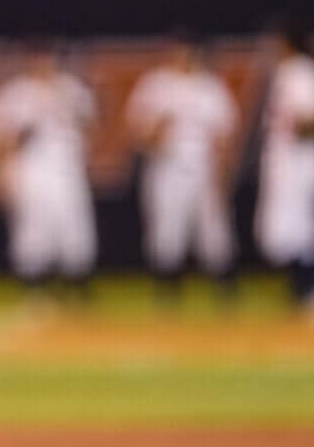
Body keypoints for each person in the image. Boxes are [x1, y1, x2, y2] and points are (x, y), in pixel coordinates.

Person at [125, 34, 240, 297]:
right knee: (166, 228)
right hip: (167, 165)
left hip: (204, 166)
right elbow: (137, 132)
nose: (183, 57)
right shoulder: (156, 85)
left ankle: (224, 289)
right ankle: (167, 289)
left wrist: (223, 173)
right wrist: (157, 130)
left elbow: (224, 136)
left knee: (213, 229)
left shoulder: (209, 86)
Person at [0, 39, 98, 297]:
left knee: (75, 231)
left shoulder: (72, 90)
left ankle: (77, 291)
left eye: (48, 56)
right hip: (32, 171)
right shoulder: (16, 94)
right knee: (33, 232)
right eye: (38, 57)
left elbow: (91, 130)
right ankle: (36, 292)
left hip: (68, 170)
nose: (44, 62)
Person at [254, 23, 314, 309]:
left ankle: (305, 291)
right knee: (289, 232)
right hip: (290, 162)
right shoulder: (286, 73)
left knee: (300, 230)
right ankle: (299, 292)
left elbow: (307, 122)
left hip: (301, 163)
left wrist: (296, 126)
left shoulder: (299, 72)